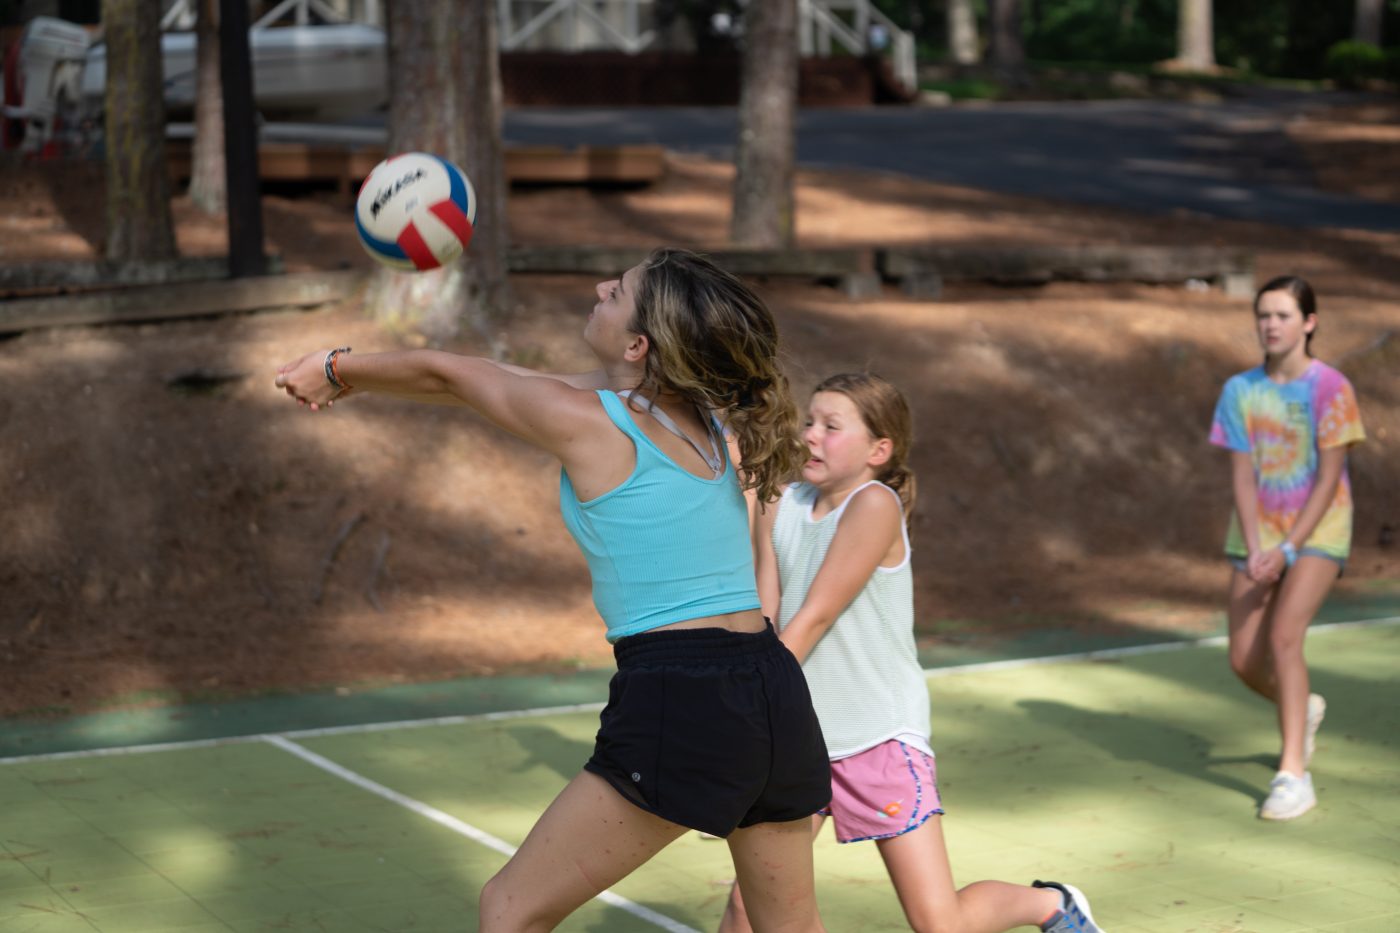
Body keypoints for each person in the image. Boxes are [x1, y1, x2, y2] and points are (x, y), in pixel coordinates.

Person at [275, 248, 832, 932]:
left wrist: (337, 367)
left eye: (617, 292)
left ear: (638, 345)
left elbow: (453, 375)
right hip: (773, 684)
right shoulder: (703, 418)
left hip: (685, 693)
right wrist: (356, 381)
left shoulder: (590, 419)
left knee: (510, 908)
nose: (599, 288)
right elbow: (494, 381)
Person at [720, 373, 1105, 933]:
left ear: (879, 450)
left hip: (876, 735)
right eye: (809, 421)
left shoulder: (873, 504)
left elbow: (814, 618)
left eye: (832, 426)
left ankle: (1050, 905)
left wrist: (750, 698)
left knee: (937, 922)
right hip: (802, 735)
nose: (810, 435)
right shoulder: (783, 503)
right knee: (748, 906)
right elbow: (767, 608)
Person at [1209, 275, 1366, 820]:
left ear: (1309, 323)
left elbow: (1328, 478)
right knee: (1242, 659)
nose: (1270, 325)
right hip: (1256, 535)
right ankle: (1305, 708)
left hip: (1319, 532)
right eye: (1263, 315)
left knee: (1283, 638)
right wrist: (1258, 548)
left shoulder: (1331, 388)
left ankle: (1293, 774)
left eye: (1282, 315)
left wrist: (1289, 549)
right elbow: (1242, 476)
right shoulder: (1239, 390)